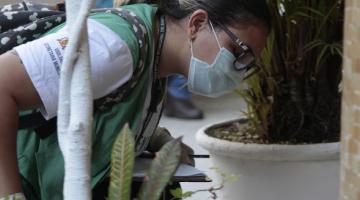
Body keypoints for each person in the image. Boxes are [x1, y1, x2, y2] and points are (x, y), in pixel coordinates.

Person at [0, 0, 271, 199]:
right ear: (197, 23)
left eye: (248, 64)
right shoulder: (114, 47)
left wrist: (156, 137)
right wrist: (10, 195)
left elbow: (104, 108)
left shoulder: (156, 57)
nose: (240, 68)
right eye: (239, 51)